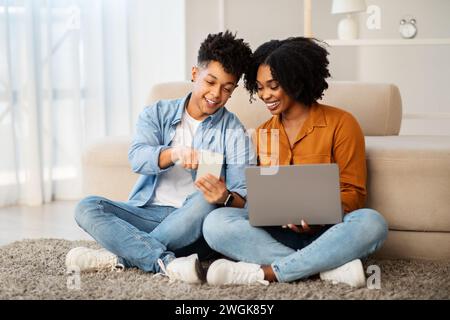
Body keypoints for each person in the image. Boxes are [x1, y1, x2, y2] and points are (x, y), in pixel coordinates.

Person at [65, 31, 254, 284]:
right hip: (147, 212)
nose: (216, 94)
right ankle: (165, 261)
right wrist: (174, 153)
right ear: (195, 74)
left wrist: (224, 196)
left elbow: (246, 198)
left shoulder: (234, 131)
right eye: (210, 82)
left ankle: (121, 256)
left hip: (194, 221)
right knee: (87, 207)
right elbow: (137, 158)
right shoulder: (157, 112)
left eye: (227, 88)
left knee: (204, 202)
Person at [202, 37, 388, 288]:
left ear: (296, 81)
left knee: (372, 223)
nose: (265, 95)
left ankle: (267, 272)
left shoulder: (342, 124)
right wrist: (230, 196)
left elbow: (353, 193)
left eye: (273, 85)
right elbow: (256, 197)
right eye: (259, 87)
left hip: (328, 231)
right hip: (276, 233)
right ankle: (324, 269)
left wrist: (318, 215)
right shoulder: (262, 134)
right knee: (215, 223)